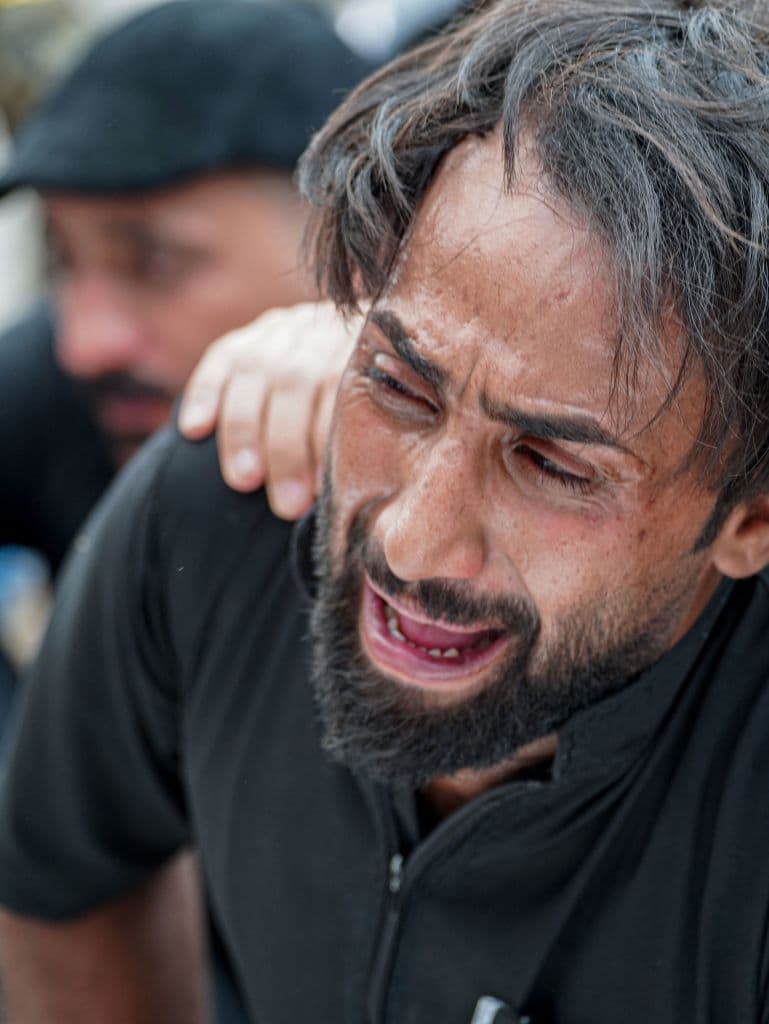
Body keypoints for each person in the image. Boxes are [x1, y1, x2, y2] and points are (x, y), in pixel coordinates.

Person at [2, 1, 769, 1021]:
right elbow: (62, 877)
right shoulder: (234, 491)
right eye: (401, 388)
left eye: (550, 463)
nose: (405, 540)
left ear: (749, 519)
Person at [0, 0, 371, 578]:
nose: (83, 346)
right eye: (61, 258)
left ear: (352, 249)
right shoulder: (56, 383)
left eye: (152, 263)